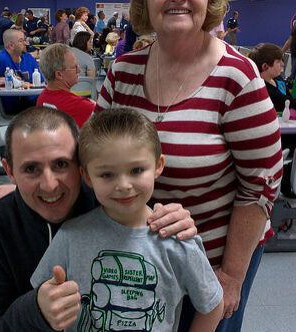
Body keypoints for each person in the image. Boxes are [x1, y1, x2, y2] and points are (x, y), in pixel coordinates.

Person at [96, 1, 283, 331]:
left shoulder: (237, 77)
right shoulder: (123, 71)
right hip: (140, 259)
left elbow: (260, 187)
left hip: (214, 263)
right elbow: (93, 155)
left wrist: (231, 277)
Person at [0, 105, 198, 331]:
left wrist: (172, 220)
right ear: (9, 172)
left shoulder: (111, 202)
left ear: (81, 167)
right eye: (31, 169)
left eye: (61, 164)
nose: (49, 185)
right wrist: (35, 310)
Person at [31, 108, 224, 331]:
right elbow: (40, 299)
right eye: (107, 174)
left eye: (136, 170)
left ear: (158, 165)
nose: (123, 185)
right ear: (86, 176)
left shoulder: (177, 240)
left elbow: (212, 304)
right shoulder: (70, 237)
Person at [0, 27, 43, 115]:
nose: (25, 43)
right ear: (11, 45)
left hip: (33, 102)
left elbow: (42, 83)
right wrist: (7, 79)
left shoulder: (29, 58)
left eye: (25, 40)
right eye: (21, 41)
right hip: (14, 106)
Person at [248, 43, 296, 114]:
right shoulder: (264, 90)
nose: (282, 64)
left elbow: (290, 99)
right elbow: (294, 104)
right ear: (265, 66)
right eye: (278, 62)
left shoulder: (278, 78)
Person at [37, 43, 94, 128]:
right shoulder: (81, 107)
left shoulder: (42, 98)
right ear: (59, 74)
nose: (79, 70)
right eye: (74, 67)